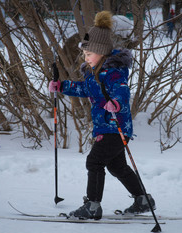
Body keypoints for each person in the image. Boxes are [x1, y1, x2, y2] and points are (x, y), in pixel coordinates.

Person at [49, 11, 155, 220]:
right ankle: (142, 199)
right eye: (85, 55)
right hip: (105, 126)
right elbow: (84, 90)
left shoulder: (114, 71)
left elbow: (122, 91)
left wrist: (115, 103)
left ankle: (93, 206)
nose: (86, 58)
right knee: (117, 166)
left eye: (89, 54)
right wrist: (61, 86)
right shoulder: (92, 74)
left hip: (114, 126)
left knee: (94, 162)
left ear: (101, 52)